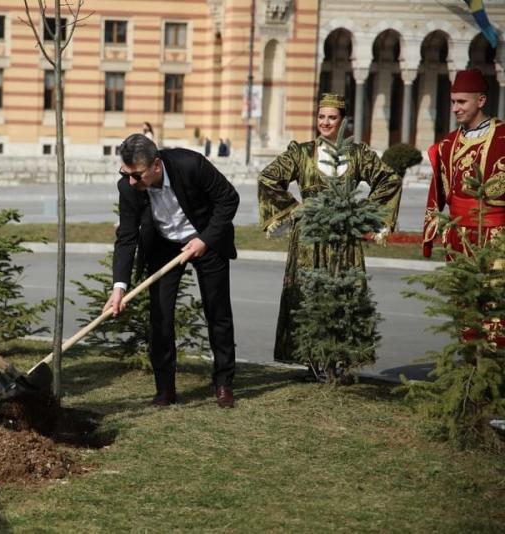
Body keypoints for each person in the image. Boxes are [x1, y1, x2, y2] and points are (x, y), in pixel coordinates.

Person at [257, 93, 402, 363]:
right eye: (321, 116)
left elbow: (389, 180)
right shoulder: (300, 153)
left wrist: (362, 215)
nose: (325, 122)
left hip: (345, 236)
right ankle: (310, 360)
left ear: (342, 120)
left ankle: (343, 359)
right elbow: (268, 178)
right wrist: (295, 208)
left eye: (332, 117)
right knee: (308, 294)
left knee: (344, 294)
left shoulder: (358, 154)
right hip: (309, 238)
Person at [105, 133, 240, 408]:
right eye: (125, 173)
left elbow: (229, 199)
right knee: (161, 316)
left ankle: (224, 382)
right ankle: (165, 389)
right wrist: (119, 287)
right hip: (163, 246)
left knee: (217, 311)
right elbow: (127, 236)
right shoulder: (129, 187)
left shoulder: (191, 165)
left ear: (156, 165)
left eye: (136, 175)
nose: (131, 181)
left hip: (206, 238)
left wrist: (204, 240)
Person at [422, 68, 505, 258]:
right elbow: (435, 194)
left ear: (481, 101)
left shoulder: (502, 138)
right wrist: (429, 234)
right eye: (453, 102)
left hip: (496, 241)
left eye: (461, 102)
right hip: (456, 239)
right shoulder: (447, 144)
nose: (454, 108)